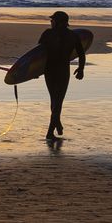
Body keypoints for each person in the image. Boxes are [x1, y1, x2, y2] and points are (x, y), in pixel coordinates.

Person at [36, 11, 87, 142]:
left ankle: (52, 129)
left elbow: (38, 55)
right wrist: (81, 69)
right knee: (57, 101)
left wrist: (34, 71)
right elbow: (81, 54)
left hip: (50, 70)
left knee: (55, 100)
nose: (51, 22)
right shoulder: (73, 36)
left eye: (52, 20)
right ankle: (53, 128)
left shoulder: (48, 34)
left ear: (57, 22)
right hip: (63, 71)